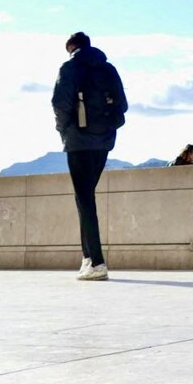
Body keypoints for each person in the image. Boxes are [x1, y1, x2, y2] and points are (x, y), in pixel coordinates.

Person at [51, 31, 127, 282]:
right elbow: (122, 106)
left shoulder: (70, 67)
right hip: (104, 141)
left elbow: (60, 103)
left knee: (84, 199)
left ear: (72, 47)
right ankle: (88, 259)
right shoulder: (108, 69)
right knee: (86, 199)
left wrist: (64, 129)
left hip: (78, 141)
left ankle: (96, 261)